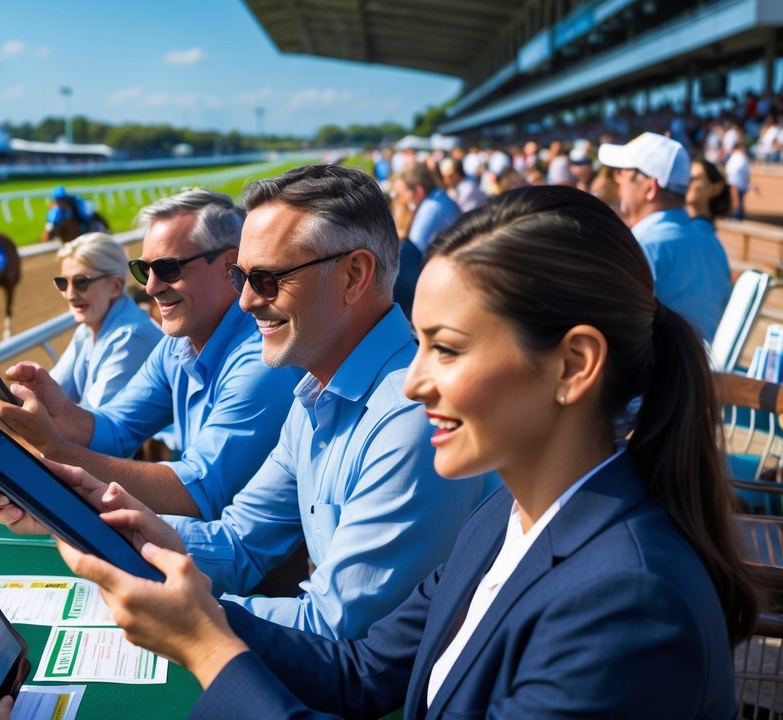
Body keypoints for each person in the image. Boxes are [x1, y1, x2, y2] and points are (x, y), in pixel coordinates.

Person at [54, 186, 753, 718]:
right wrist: (177, 582)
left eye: (445, 349)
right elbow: (360, 670)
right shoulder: (505, 516)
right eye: (418, 343)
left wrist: (205, 647)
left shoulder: (627, 604)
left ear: (572, 365)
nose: (413, 383)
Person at [0, 166, 482, 639]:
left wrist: (183, 617)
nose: (248, 300)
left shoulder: (411, 420)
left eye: (266, 279)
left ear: (353, 275)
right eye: (241, 278)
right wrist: (75, 513)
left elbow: (332, 629)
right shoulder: (314, 391)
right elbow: (237, 543)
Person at [0, 188, 302, 519]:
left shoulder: (261, 359)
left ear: (230, 265)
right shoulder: (178, 344)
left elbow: (198, 493)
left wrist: (53, 451)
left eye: (169, 269)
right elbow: (116, 430)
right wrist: (60, 413)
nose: (151, 288)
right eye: (144, 270)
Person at [600, 131, 731, 339]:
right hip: (701, 368)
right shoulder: (713, 244)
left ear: (651, 188)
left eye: (623, 172)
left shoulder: (640, 245)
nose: (618, 179)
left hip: (658, 369)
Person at [50, 232, 164, 410]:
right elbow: (52, 391)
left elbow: (91, 423)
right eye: (63, 283)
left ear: (116, 286)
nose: (70, 295)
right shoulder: (86, 330)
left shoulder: (130, 338)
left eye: (81, 283)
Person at [392, 163, 460, 255]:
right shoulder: (440, 196)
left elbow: (414, 249)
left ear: (419, 190)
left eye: (407, 192)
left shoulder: (430, 207)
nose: (407, 198)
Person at [687, 158, 732, 224]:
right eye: (685, 177)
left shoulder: (701, 231)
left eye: (693, 179)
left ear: (715, 189)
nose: (686, 182)